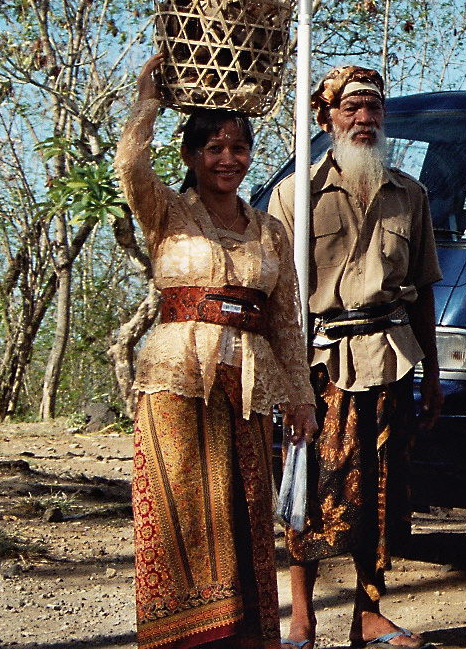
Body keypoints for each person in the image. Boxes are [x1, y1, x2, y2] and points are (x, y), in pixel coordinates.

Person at [115, 54, 317, 649]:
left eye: (238, 147)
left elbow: (285, 324)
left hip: (249, 390)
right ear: (191, 157)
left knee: (243, 518)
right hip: (177, 386)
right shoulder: (168, 214)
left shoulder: (269, 230)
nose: (228, 159)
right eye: (214, 148)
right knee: (183, 522)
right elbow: (129, 164)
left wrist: (301, 399)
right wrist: (148, 100)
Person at [270, 65, 443, 649]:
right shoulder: (295, 195)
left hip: (391, 358)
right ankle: (302, 617)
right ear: (326, 118)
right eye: (352, 109)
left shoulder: (409, 195)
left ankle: (369, 614)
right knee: (312, 488)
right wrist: (287, 378)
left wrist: (435, 378)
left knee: (383, 491)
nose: (365, 120)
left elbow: (423, 290)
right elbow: (281, 298)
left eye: (373, 110)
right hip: (320, 365)